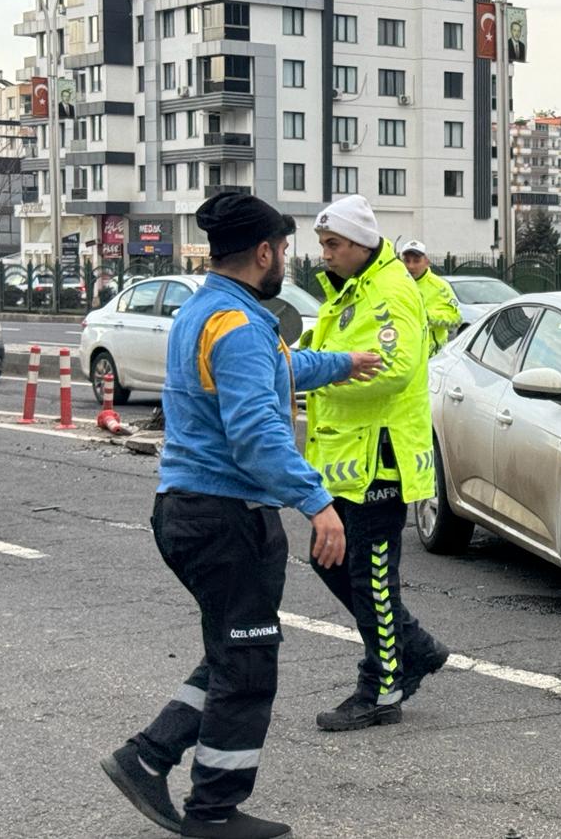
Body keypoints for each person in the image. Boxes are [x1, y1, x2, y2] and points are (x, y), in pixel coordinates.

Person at [101, 192, 382, 839]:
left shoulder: (209, 312)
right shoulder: (239, 325)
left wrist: (344, 362)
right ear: (264, 253)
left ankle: (146, 757)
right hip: (224, 518)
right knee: (248, 662)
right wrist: (317, 504)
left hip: (188, 510)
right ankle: (213, 811)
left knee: (233, 650)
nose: (286, 260)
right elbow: (256, 429)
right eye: (283, 250)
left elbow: (277, 370)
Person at [304, 195, 449, 731]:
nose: (325, 255)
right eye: (322, 244)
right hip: (349, 460)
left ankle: (382, 685)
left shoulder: (389, 291)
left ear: (363, 245)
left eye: (333, 244)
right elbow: (335, 350)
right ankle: (413, 646)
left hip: (379, 461)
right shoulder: (351, 291)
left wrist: (315, 372)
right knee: (330, 560)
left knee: (371, 577)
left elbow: (388, 367)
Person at [398, 239, 463, 353]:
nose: (411, 266)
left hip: (432, 358)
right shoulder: (397, 284)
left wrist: (427, 317)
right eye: (407, 261)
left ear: (427, 262)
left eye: (416, 261)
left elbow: (456, 319)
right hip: (404, 355)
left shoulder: (440, 286)